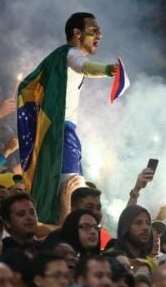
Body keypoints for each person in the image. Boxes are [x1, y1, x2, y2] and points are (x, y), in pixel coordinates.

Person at [17, 12, 117, 224]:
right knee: (74, 194)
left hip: (60, 133)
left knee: (70, 192)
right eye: (93, 31)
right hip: (61, 135)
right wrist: (109, 70)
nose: (99, 35)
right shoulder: (70, 53)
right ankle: (67, 232)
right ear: (77, 33)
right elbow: (85, 67)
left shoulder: (58, 57)